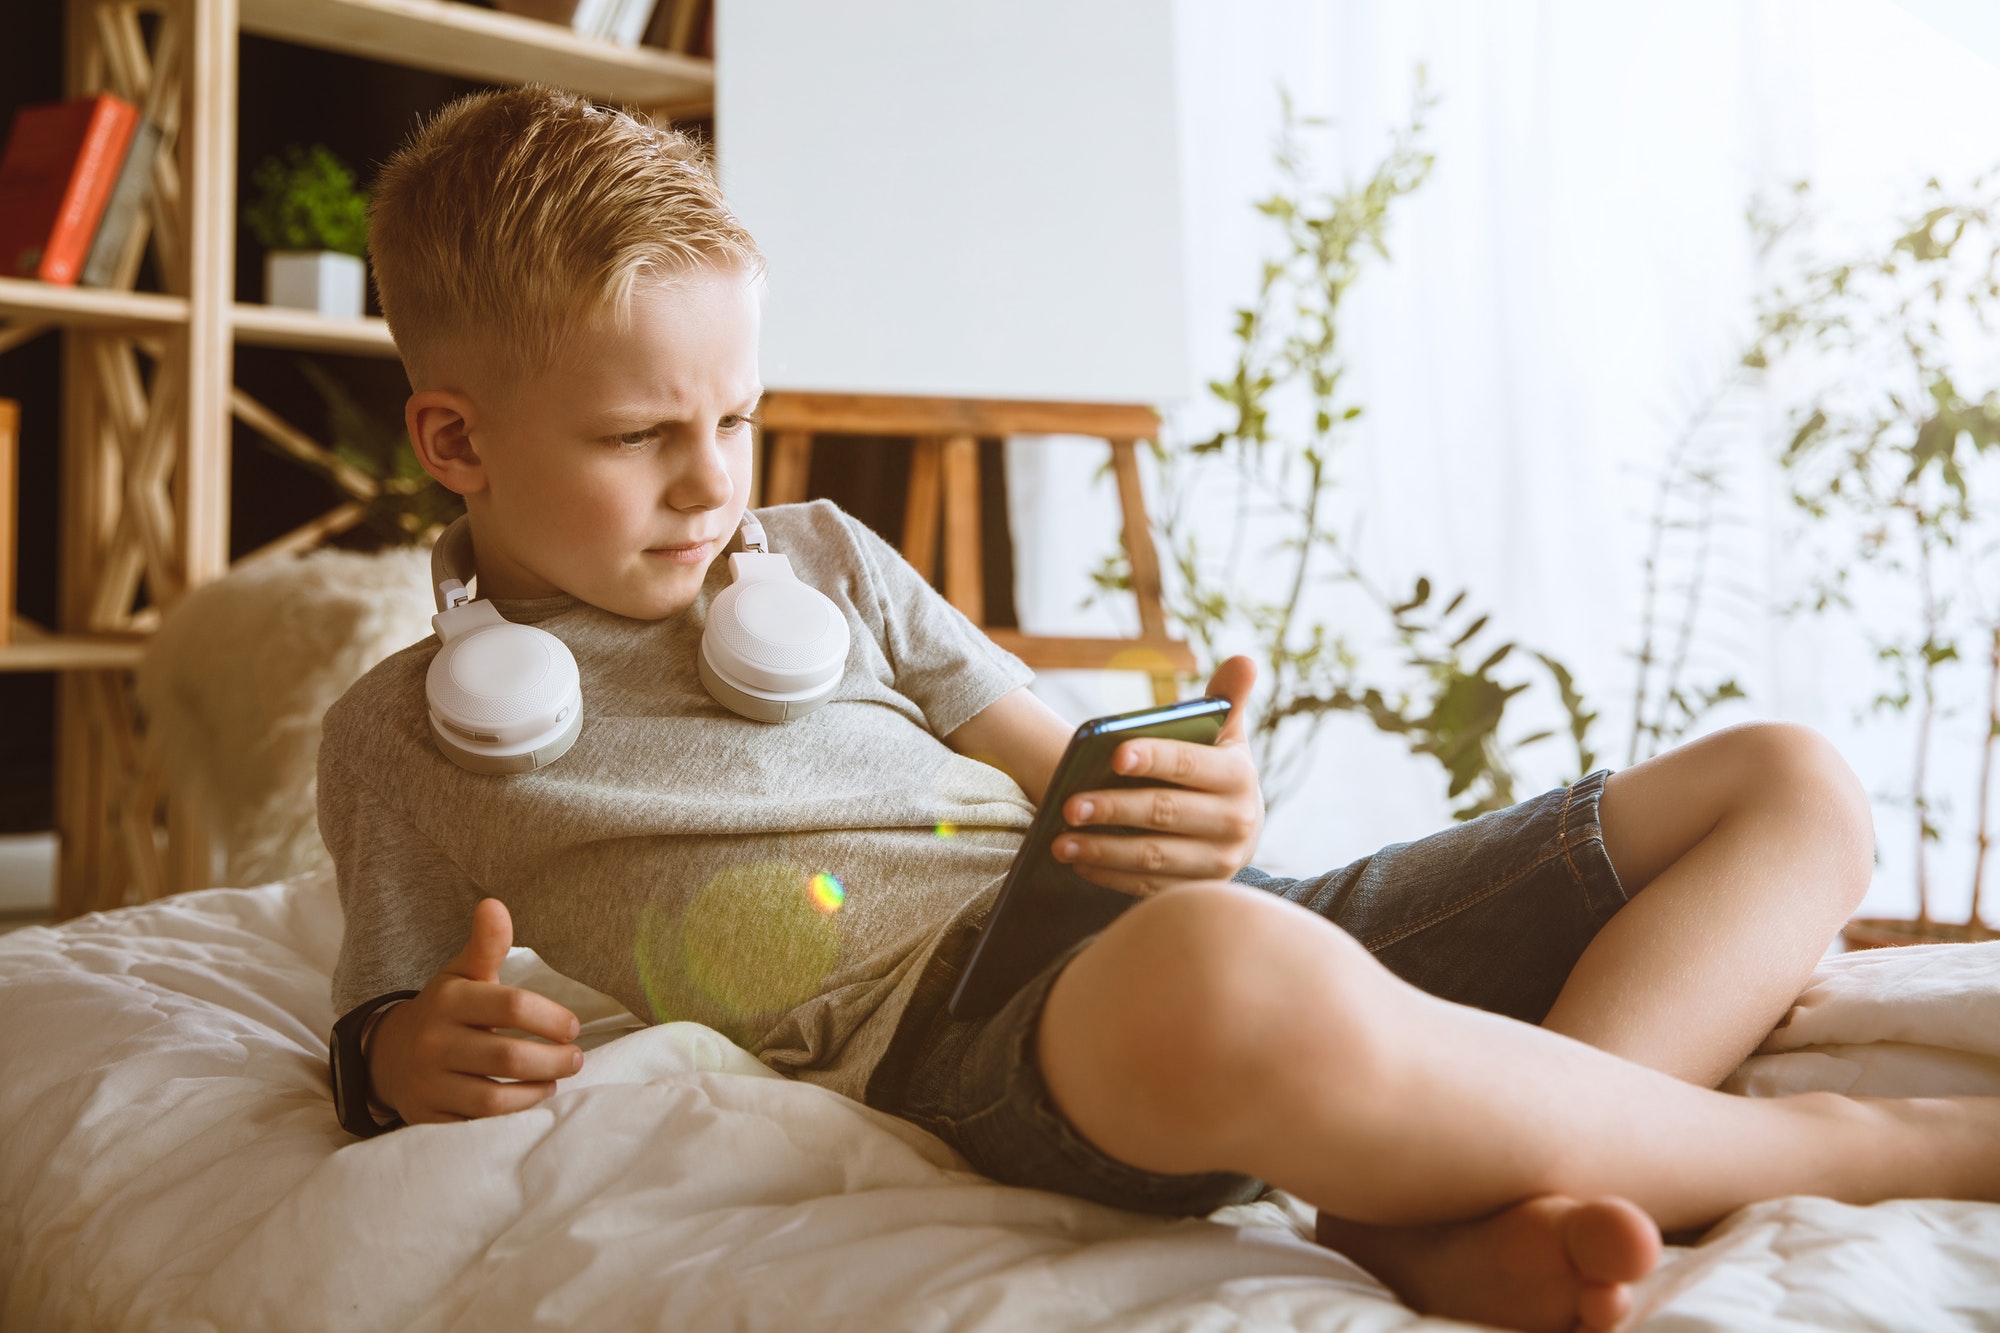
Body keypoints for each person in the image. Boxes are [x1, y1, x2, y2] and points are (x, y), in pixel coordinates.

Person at [321, 85, 1997, 1333]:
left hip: (1190, 936)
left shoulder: (822, 558)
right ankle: (1871, 1142)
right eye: (638, 439)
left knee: (1792, 782)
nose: (712, 485)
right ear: (457, 442)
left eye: (737, 419)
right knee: (1235, 966)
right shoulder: (403, 739)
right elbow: (375, 1024)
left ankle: (1471, 1196)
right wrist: (407, 1049)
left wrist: (1206, 809)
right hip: (970, 1040)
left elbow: (1077, 781)